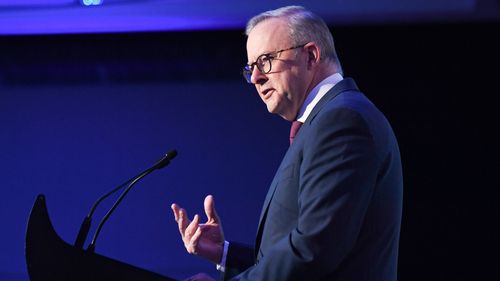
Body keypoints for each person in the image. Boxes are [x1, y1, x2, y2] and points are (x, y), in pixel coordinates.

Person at [171, 5, 403, 281]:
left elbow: (314, 250)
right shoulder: (329, 119)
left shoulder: (342, 120)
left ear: (310, 55)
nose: (256, 78)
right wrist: (225, 254)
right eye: (251, 68)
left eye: (266, 60)